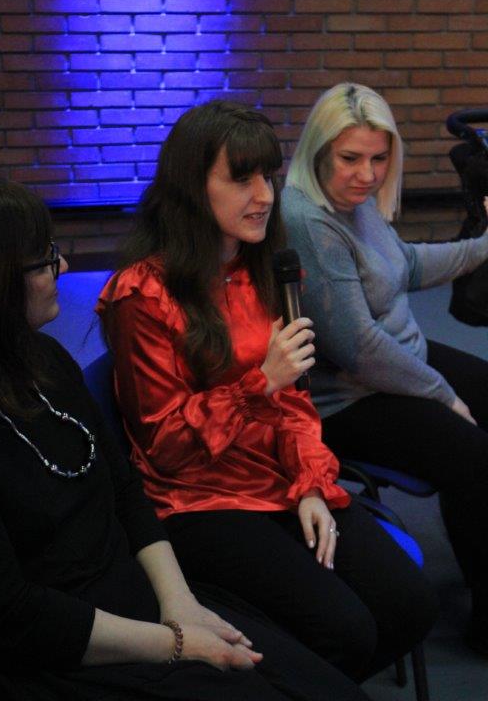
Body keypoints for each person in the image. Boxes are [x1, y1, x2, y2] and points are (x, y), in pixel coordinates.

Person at [0, 177, 380, 701]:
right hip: (66, 644)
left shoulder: (45, 358)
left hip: (139, 592)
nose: (64, 267)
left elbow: (126, 493)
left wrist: (181, 604)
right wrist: (175, 643)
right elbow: (14, 614)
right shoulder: (141, 297)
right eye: (45, 260)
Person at [97, 100, 437, 684]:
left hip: (279, 479)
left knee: (410, 606)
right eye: (241, 179)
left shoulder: (267, 272)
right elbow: (165, 447)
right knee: (346, 631)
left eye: (268, 176)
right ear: (191, 188)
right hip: (201, 502)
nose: (264, 195)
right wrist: (260, 384)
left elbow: (297, 404)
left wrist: (311, 484)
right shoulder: (144, 294)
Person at [281, 81, 488, 654]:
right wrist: (441, 393)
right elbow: (358, 348)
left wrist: (483, 247)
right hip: (348, 399)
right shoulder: (308, 220)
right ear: (318, 152)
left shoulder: (357, 202)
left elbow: (406, 265)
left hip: (400, 361)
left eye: (378, 159)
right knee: (473, 457)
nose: (367, 175)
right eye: (351, 158)